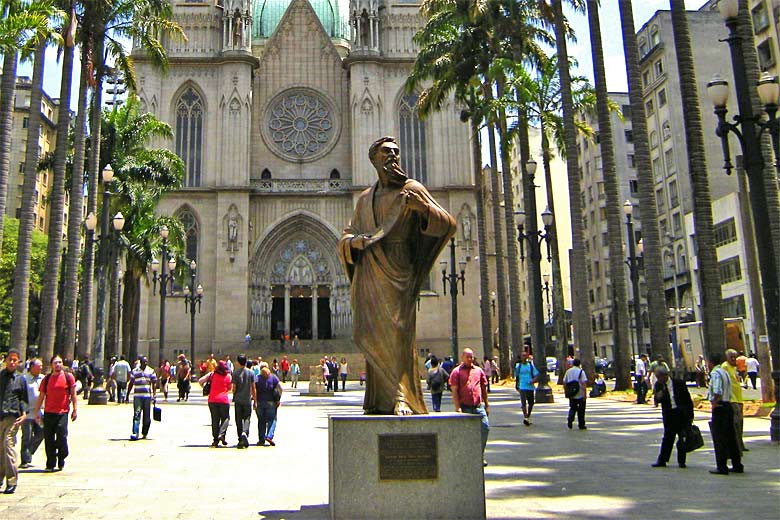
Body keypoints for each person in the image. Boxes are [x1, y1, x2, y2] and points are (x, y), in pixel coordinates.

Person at [338, 136, 456, 415]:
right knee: (373, 333)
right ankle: (379, 399)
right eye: (386, 153)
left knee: (398, 333)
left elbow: (447, 223)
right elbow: (348, 233)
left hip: (399, 268)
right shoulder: (365, 198)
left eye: (395, 152)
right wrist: (353, 243)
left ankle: (403, 395)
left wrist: (423, 209)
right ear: (374, 159)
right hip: (371, 270)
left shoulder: (412, 190)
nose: (392, 157)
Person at [32, 355, 78, 473]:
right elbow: (41, 396)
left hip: (62, 412)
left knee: (62, 436)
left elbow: (73, 394)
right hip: (49, 413)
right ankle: (50, 463)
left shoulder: (68, 377)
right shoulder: (46, 379)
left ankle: (62, 455)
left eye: (60, 362)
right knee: (49, 439)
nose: (58, 365)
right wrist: (36, 411)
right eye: (55, 363)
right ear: (51, 365)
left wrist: (75, 409)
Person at [449, 348, 489, 466]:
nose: (470, 359)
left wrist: (487, 404)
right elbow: (454, 391)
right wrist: (457, 408)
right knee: (465, 433)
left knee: (485, 428)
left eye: (471, 357)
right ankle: (466, 455)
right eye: (468, 357)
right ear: (462, 357)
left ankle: (479, 454)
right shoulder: (456, 372)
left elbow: (483, 388)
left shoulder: (478, 370)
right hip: (464, 407)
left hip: (478, 406)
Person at [650, 365, 694, 469]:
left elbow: (688, 400)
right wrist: (658, 397)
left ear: (665, 375)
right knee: (667, 438)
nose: (658, 379)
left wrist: (690, 415)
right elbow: (656, 400)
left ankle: (681, 461)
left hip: (680, 413)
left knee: (682, 438)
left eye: (659, 376)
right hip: (669, 414)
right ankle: (662, 460)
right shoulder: (658, 385)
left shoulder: (678, 383)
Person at [707, 353, 743, 475]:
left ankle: (722, 466)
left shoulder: (716, 373)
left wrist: (714, 403)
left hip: (720, 407)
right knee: (731, 437)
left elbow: (717, 390)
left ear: (711, 363)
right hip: (728, 405)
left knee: (720, 437)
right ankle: (737, 463)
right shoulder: (725, 372)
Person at [0, 349, 28, 493]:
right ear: (6, 361)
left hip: (13, 417)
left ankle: (12, 481)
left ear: (18, 362)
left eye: (14, 360)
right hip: (0, 416)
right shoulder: (1, 377)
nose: (12, 362)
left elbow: (24, 399)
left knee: (8, 445)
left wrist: (24, 414)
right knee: (1, 448)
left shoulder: (20, 379)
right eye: (10, 359)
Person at [199, 361, 232, 448]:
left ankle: (215, 440)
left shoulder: (212, 375)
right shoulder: (228, 376)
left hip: (212, 400)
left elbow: (200, 381)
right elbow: (230, 388)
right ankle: (221, 434)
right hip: (223, 400)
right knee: (226, 418)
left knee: (215, 420)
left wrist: (206, 387)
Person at [20, 359, 44, 469]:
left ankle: (29, 452)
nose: (41, 368)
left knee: (41, 433)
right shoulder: (24, 378)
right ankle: (25, 460)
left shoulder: (43, 378)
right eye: (38, 366)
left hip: (39, 412)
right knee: (27, 436)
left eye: (41, 366)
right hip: (28, 412)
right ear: (32, 367)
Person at [126, 356, 157, 441]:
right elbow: (131, 383)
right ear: (141, 362)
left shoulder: (151, 371)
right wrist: (127, 395)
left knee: (147, 417)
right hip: (137, 397)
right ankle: (135, 433)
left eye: (146, 362)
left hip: (147, 397)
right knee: (137, 414)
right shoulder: (135, 371)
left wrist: (154, 395)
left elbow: (154, 383)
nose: (145, 363)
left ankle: (145, 432)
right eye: (144, 362)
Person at [723, 349, 747, 453]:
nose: (733, 359)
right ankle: (737, 446)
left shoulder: (734, 368)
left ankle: (740, 444)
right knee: (736, 423)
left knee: (740, 423)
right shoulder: (725, 367)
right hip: (732, 399)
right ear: (727, 358)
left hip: (739, 399)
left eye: (734, 357)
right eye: (731, 357)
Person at [252, 365, 282, 446]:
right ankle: (269, 435)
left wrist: (255, 401)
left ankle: (261, 439)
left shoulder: (257, 378)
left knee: (261, 421)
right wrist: (278, 400)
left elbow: (254, 389)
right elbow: (279, 389)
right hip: (271, 402)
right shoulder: (273, 378)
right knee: (272, 420)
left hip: (260, 402)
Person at [232, 354, 253, 449]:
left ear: (238, 362)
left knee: (238, 419)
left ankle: (240, 438)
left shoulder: (235, 373)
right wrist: (255, 399)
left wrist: (234, 395)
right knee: (247, 417)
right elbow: (254, 387)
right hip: (247, 399)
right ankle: (245, 432)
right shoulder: (251, 373)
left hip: (238, 399)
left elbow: (234, 388)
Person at [514, 352, 539, 426]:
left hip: (530, 387)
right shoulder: (518, 366)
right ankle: (525, 417)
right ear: (520, 357)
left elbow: (537, 375)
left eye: (525, 356)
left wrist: (533, 380)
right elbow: (517, 377)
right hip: (522, 386)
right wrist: (516, 386)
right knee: (523, 403)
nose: (524, 357)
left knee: (531, 403)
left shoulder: (531, 366)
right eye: (523, 356)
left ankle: (528, 415)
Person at [563, 358, 588, 430]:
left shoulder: (568, 371)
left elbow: (564, 382)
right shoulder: (581, 372)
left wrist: (566, 391)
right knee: (581, 410)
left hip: (572, 393)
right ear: (579, 364)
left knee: (573, 408)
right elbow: (584, 384)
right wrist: (585, 394)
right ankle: (581, 424)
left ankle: (570, 418)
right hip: (580, 393)